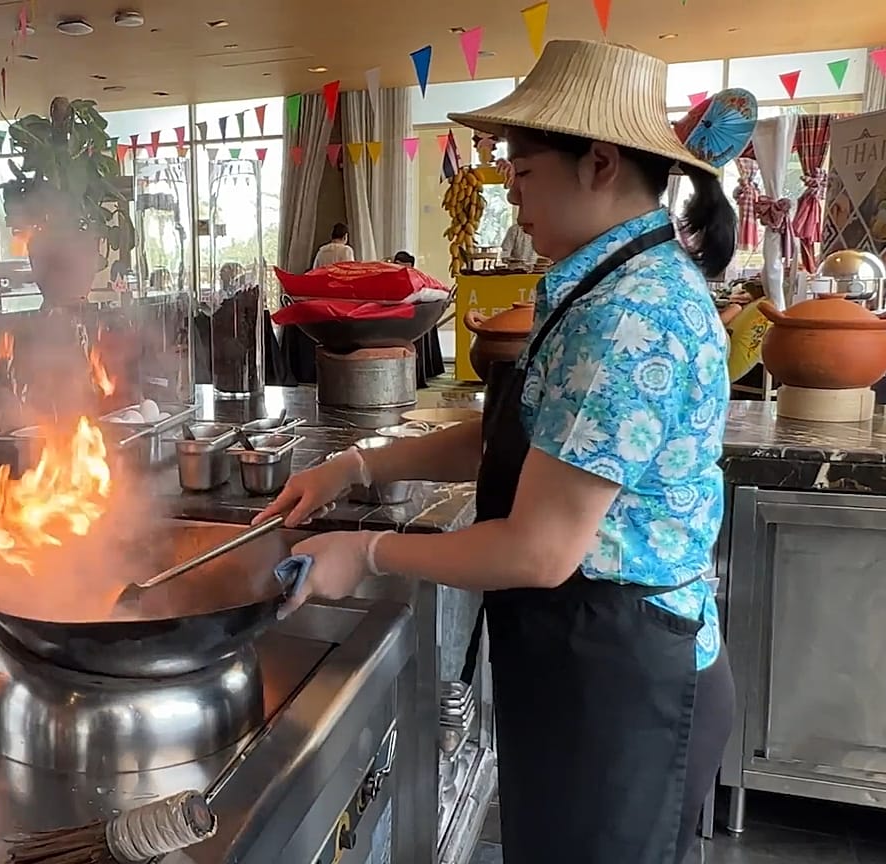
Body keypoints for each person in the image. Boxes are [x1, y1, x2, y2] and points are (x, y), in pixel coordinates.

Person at [256, 40, 745, 864]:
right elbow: (512, 435)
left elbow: (540, 549)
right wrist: (354, 466)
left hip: (621, 681)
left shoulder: (632, 318)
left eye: (520, 176)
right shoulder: (600, 284)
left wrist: (367, 550)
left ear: (597, 164)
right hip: (590, 659)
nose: (510, 199)